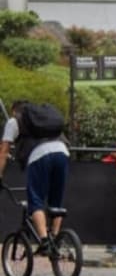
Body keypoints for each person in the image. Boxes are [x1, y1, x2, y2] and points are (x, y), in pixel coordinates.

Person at [1, 101, 70, 253]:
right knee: (56, 200)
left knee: (36, 200)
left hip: (39, 155)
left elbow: (3, 152)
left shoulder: (14, 121)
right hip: (63, 152)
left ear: (14, 111)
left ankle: (44, 241)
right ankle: (56, 239)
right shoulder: (45, 120)